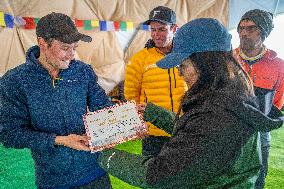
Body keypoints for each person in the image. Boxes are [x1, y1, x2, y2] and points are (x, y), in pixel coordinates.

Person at [98, 18, 283, 188]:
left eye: (183, 65)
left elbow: (160, 174)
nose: (180, 73)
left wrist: (103, 155)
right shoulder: (229, 94)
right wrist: (153, 112)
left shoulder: (217, 114)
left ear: (206, 63)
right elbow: (195, 133)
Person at [0, 12, 113, 189]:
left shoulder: (83, 72)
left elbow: (103, 107)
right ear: (42, 43)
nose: (72, 55)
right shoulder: (15, 81)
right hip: (53, 181)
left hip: (96, 173)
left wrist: (128, 117)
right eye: (65, 48)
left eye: (75, 48)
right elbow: (9, 134)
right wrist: (59, 140)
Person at [124, 6, 187, 156]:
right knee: (153, 177)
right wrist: (137, 123)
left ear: (174, 28)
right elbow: (130, 97)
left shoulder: (186, 56)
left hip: (183, 129)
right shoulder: (139, 59)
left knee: (181, 177)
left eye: (162, 29)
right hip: (153, 133)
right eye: (153, 30)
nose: (156, 35)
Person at [233, 9, 284, 189]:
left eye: (251, 28)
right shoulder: (228, 60)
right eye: (241, 28)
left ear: (263, 31)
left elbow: (278, 100)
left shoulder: (278, 65)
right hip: (231, 129)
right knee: (229, 176)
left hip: (260, 132)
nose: (244, 33)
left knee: (259, 176)